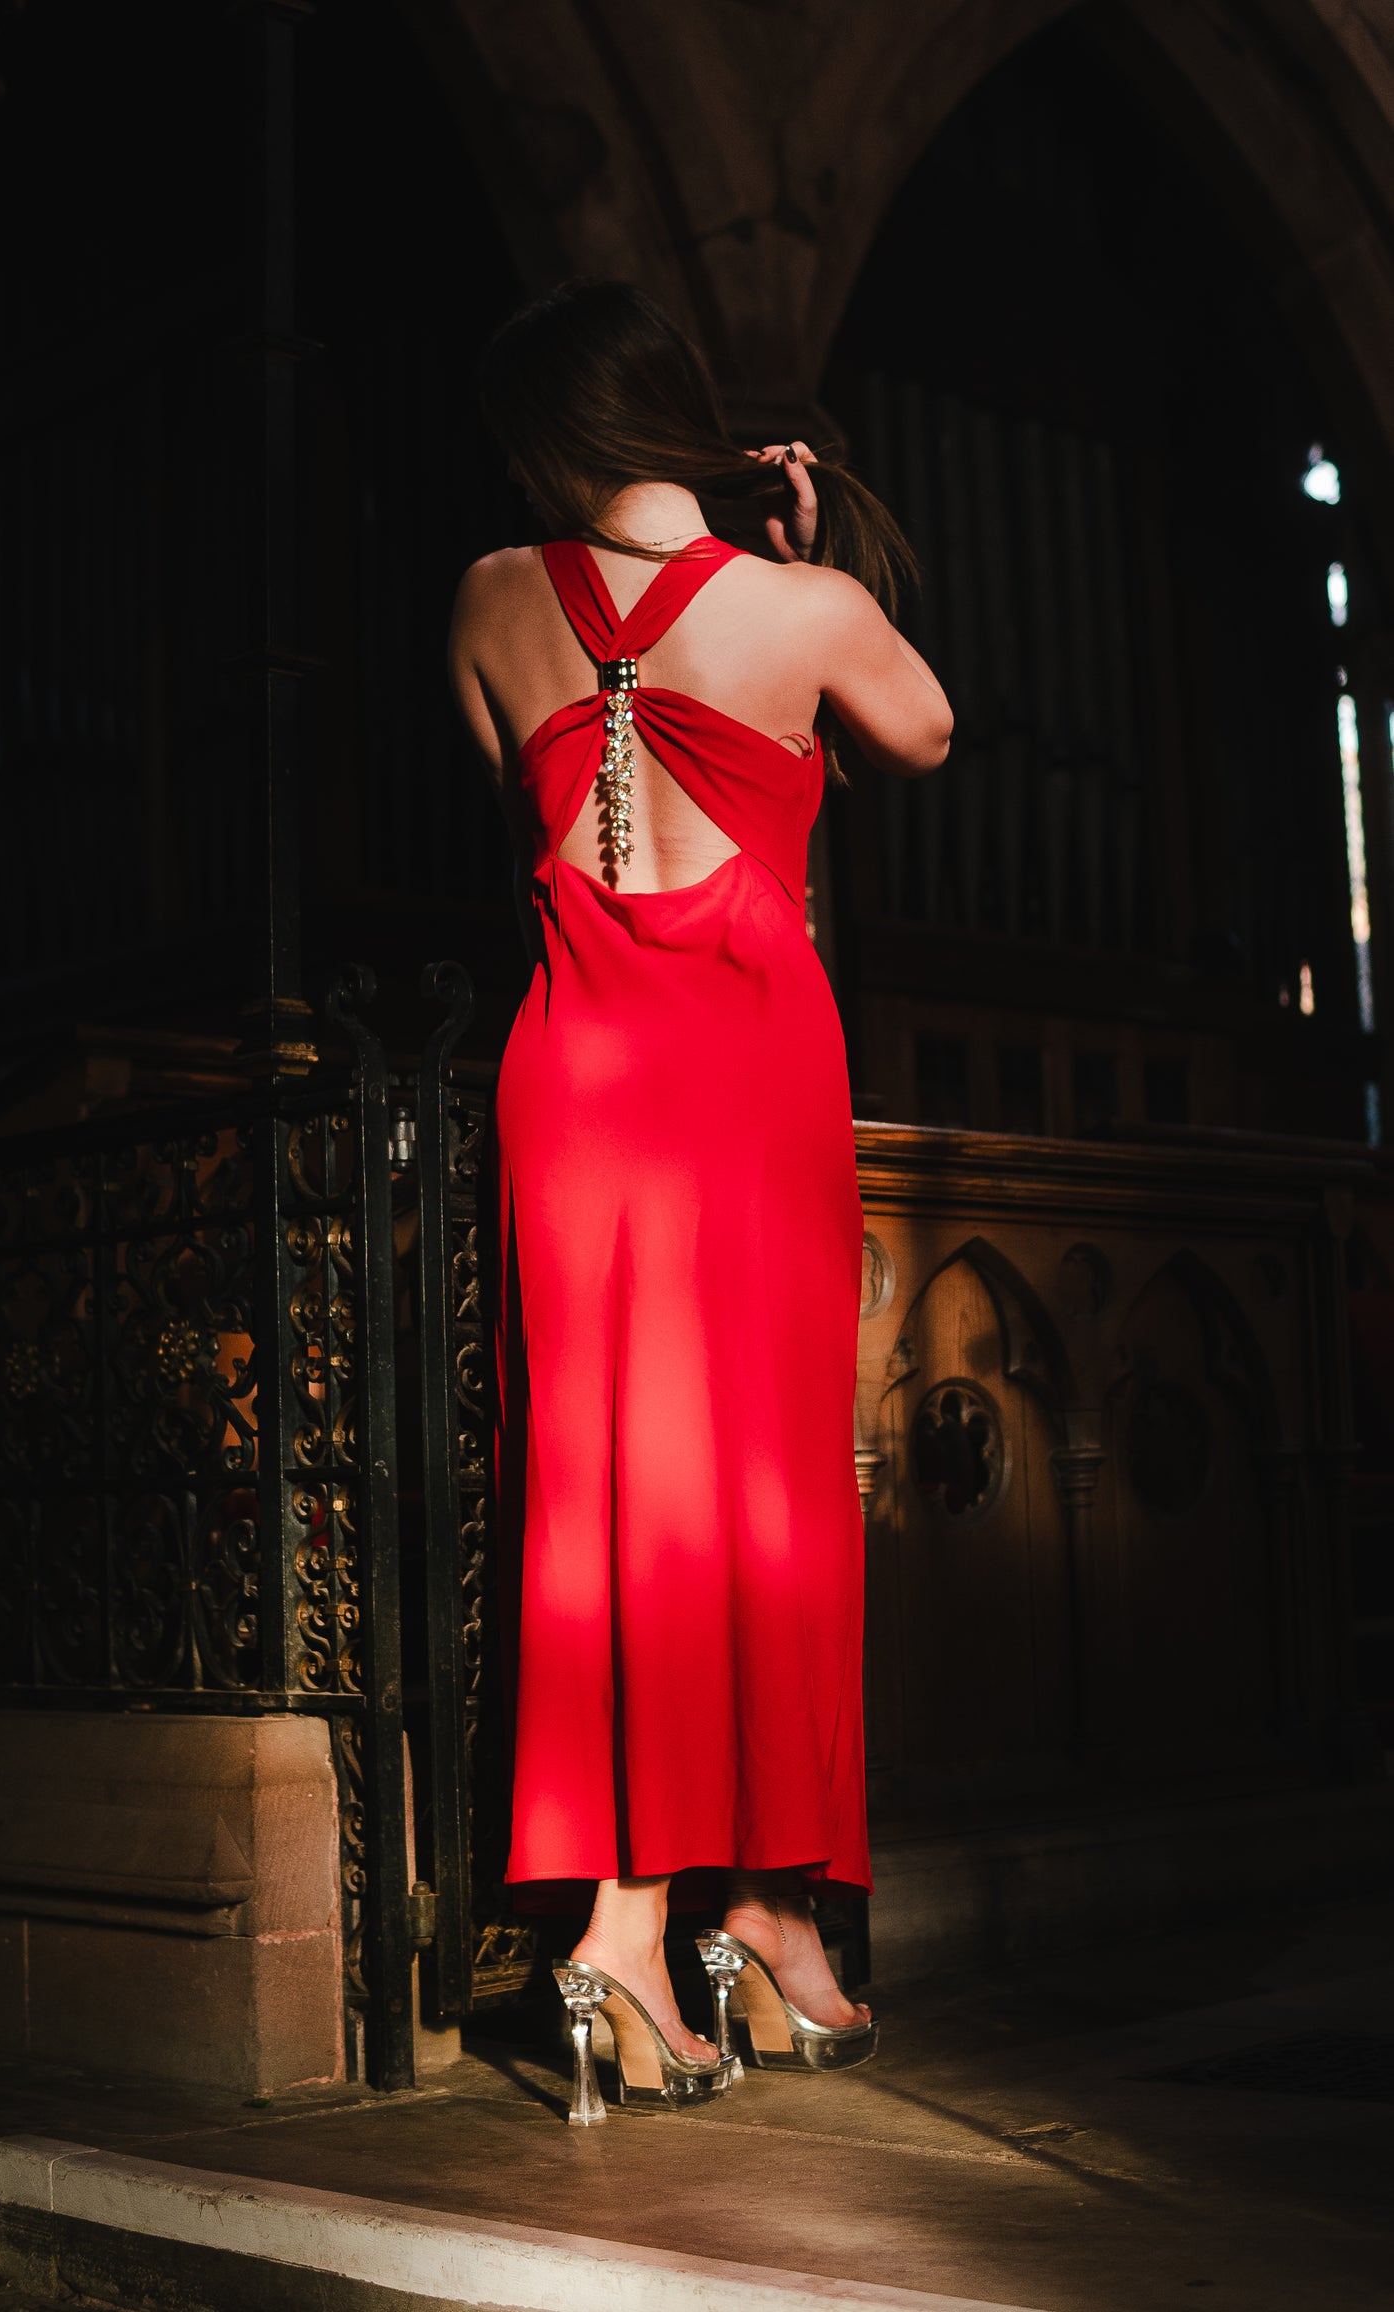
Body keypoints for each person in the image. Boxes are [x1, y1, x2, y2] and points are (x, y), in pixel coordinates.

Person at [450, 281, 952, 2122]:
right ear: (677, 414)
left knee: (604, 1506)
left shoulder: (490, 597)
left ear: (543, 443)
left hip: (575, 1071)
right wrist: (812, 564)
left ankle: (679, 1925)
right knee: (763, 1507)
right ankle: (721, 1918)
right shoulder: (802, 607)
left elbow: (512, 773)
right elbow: (923, 734)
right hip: (744, 1079)